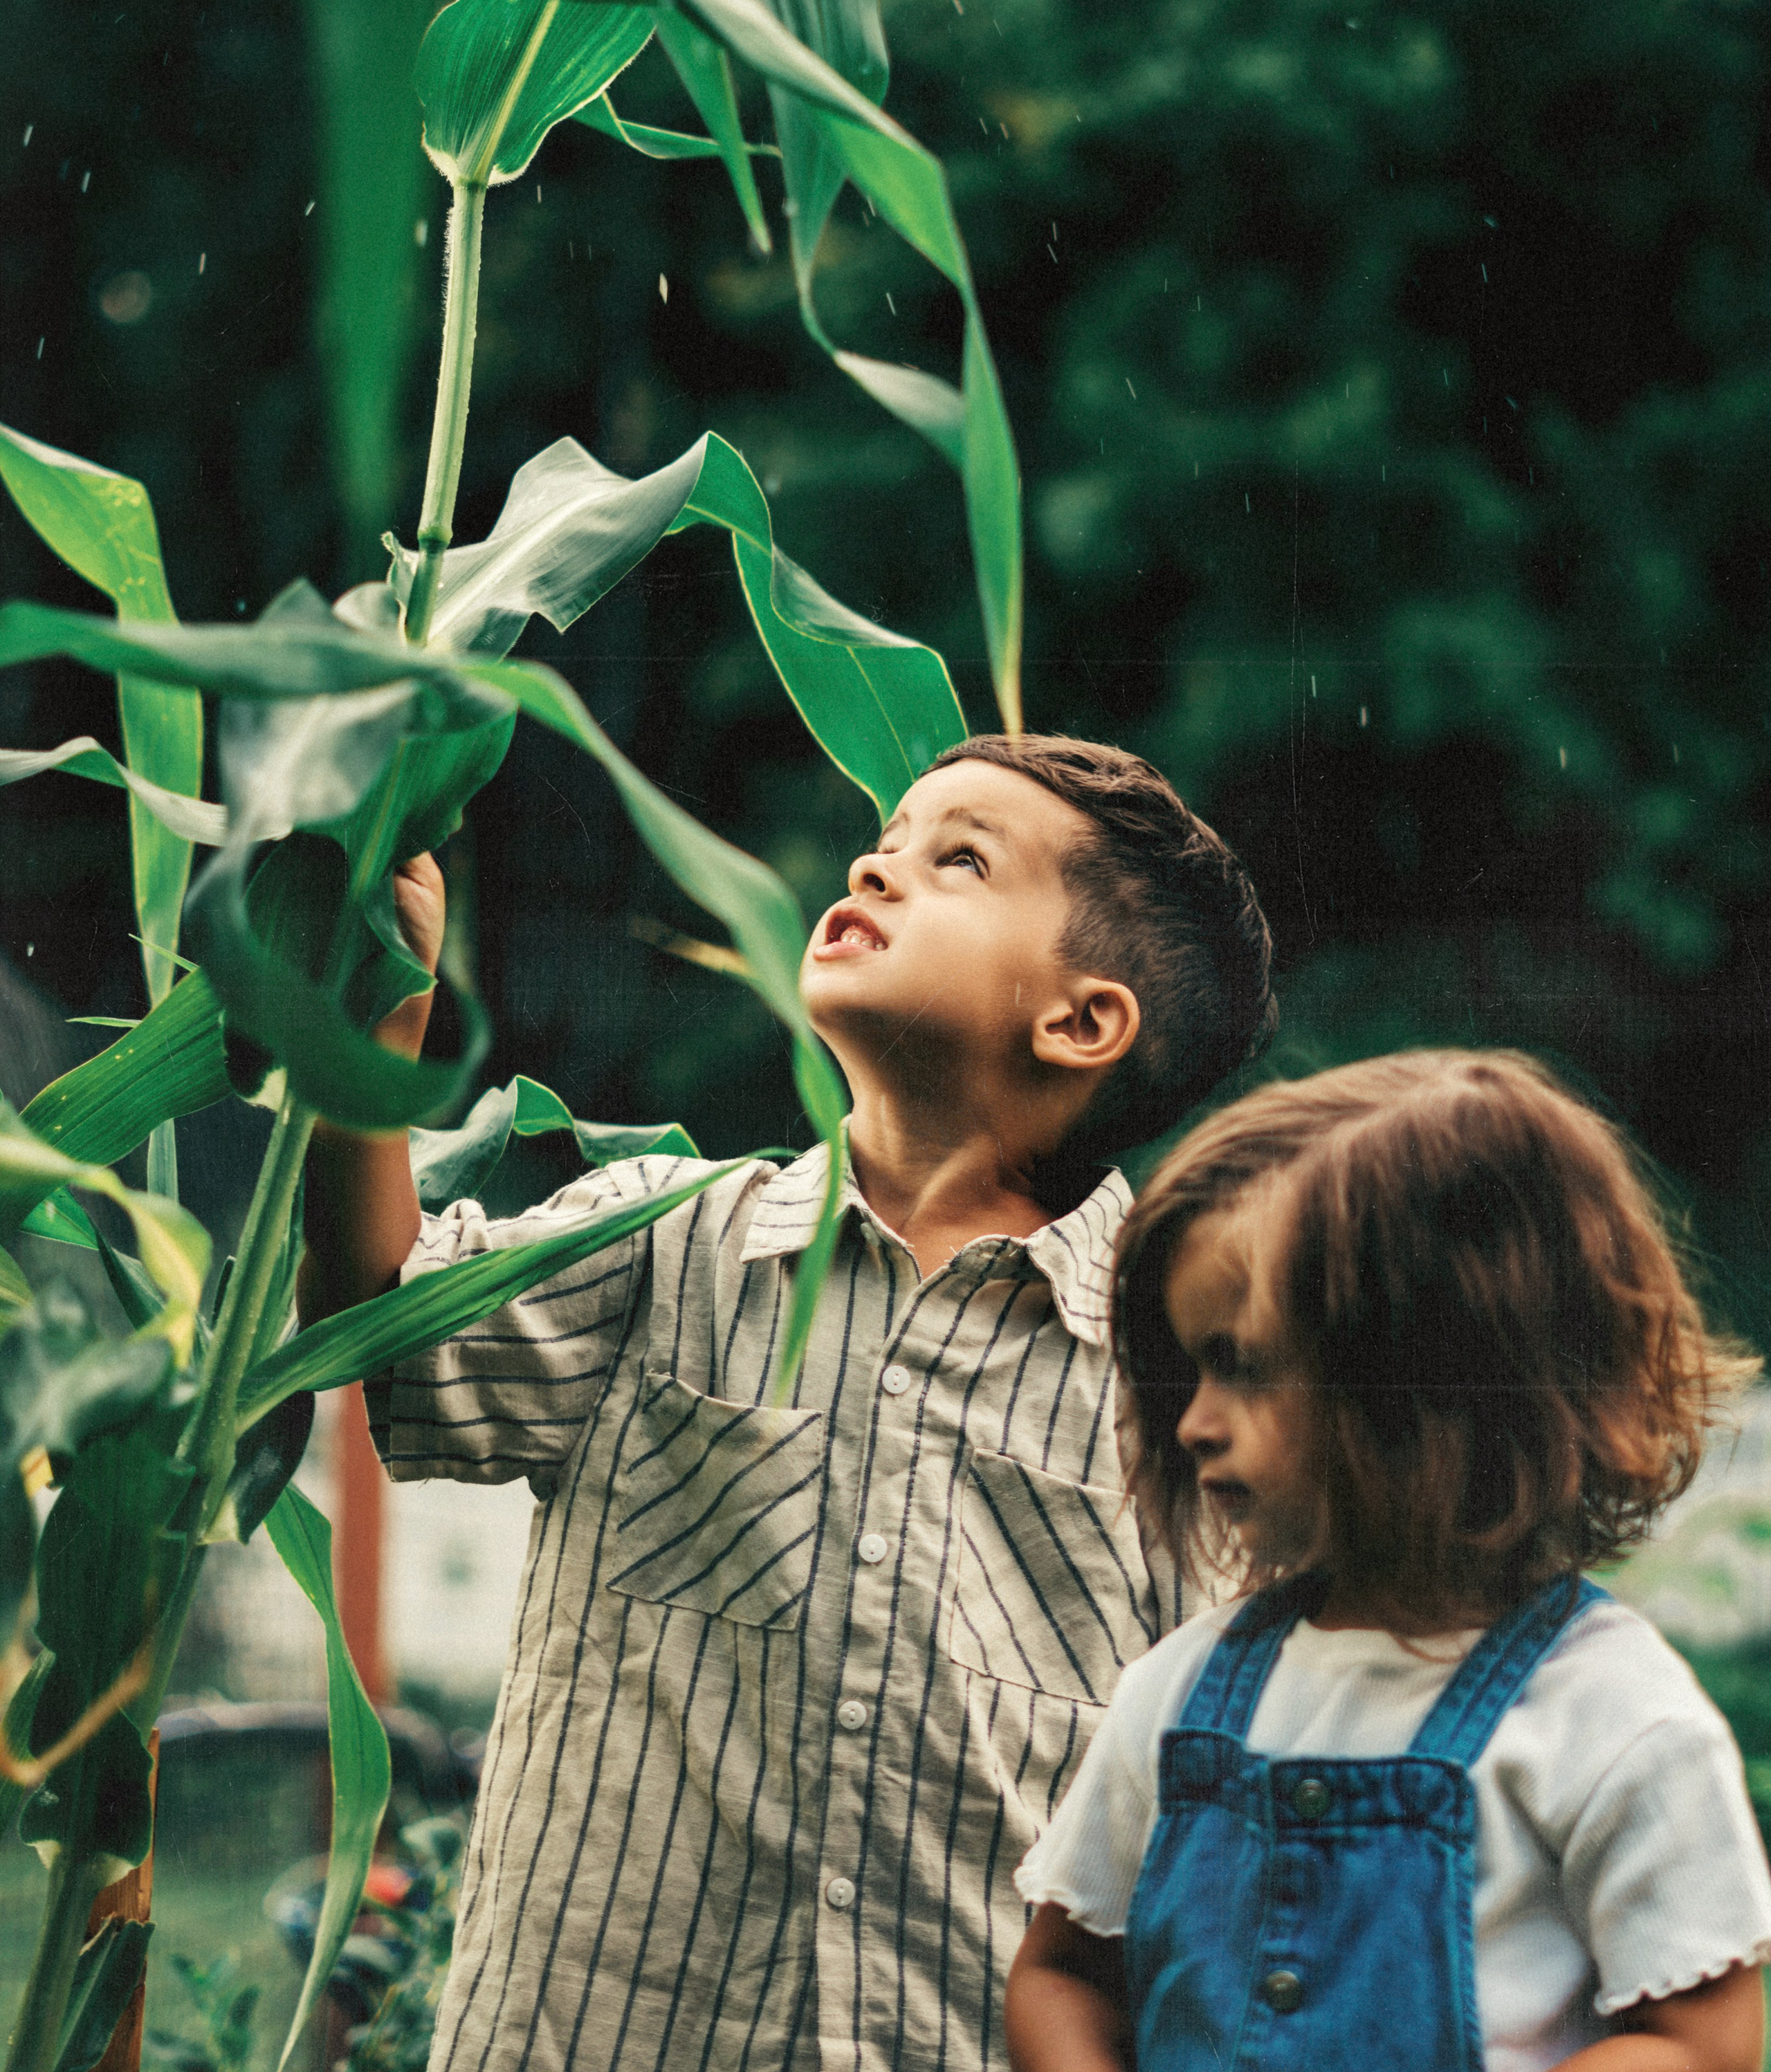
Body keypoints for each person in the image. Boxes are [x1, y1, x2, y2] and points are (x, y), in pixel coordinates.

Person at [298, 733, 1276, 2072]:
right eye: (892, 834)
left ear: (1081, 1021)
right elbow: (381, 1321)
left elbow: (1216, 1791)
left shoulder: (1172, 1380)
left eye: (959, 860)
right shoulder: (659, 1243)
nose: (880, 862)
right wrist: (375, 1032)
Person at [1005, 1049, 1771, 2072]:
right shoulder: (1181, 1693)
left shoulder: (1614, 1716)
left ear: (1434, 1379)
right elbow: (1063, 1970)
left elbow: (1702, 2039)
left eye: (1241, 1366)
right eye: (1186, 1373)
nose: (1192, 1422)